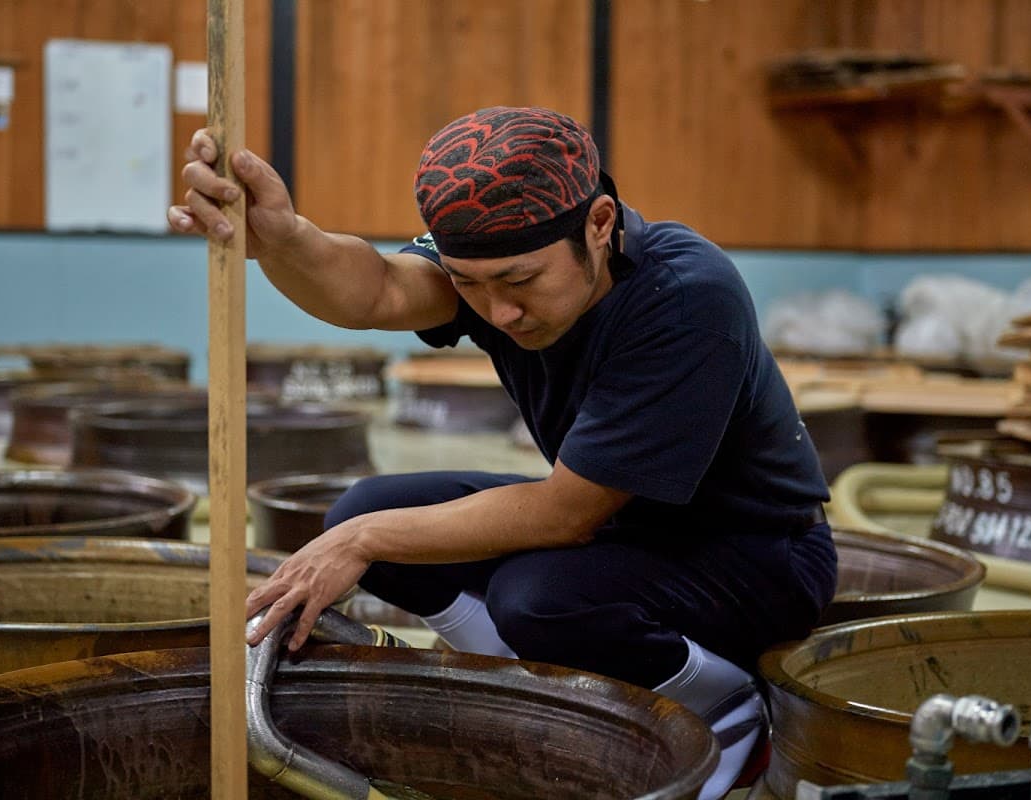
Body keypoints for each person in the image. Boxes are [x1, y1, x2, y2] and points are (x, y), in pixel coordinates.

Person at [171, 105, 838, 799]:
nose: (498, 313)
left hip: (759, 557)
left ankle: (727, 709)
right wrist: (285, 240)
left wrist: (360, 541)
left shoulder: (686, 300)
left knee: (535, 598)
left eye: (520, 283)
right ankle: (519, 692)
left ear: (600, 224)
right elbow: (378, 290)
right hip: (624, 526)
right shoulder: (492, 257)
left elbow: (565, 515)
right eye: (469, 285)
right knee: (367, 506)